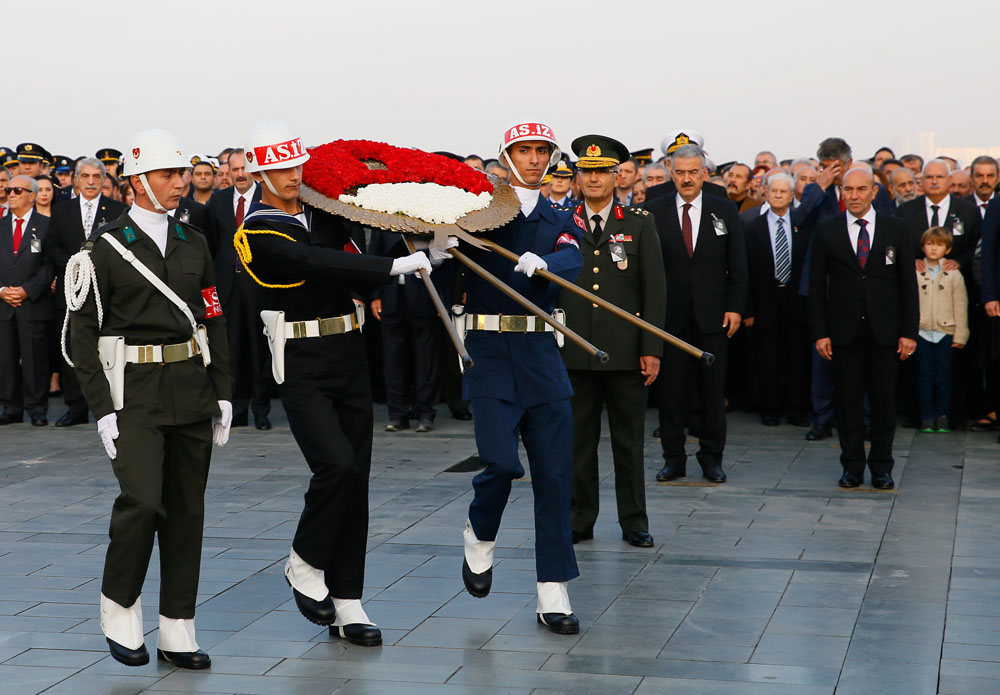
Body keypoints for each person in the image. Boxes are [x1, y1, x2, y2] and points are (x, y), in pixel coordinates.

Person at [236, 120, 430, 646]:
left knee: (356, 479)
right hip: (302, 358)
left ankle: (348, 601)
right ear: (259, 174)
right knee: (336, 465)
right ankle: (304, 559)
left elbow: (355, 242)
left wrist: (427, 237)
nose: (292, 176)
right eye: (281, 169)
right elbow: (312, 261)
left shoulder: (322, 212)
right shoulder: (257, 228)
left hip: (348, 351)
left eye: (296, 166)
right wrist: (391, 267)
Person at [70, 129, 232, 668]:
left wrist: (223, 392)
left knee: (187, 511)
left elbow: (213, 317)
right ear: (138, 182)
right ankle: (119, 607)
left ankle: (178, 627)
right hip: (133, 394)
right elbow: (81, 336)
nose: (180, 182)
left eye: (182, 173)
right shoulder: (104, 248)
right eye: (168, 174)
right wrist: (101, 409)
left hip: (190, 388)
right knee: (141, 502)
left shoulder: (194, 241)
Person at [458, 118, 583, 635]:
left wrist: (548, 262)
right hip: (489, 352)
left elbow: (573, 255)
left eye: (542, 151)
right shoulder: (481, 212)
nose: (535, 159)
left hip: (539, 351)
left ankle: (553, 589)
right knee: (501, 463)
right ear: (506, 157)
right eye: (525, 150)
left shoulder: (559, 214)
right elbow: (444, 265)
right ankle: (479, 532)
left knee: (554, 475)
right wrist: (437, 248)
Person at [559, 134, 665, 549]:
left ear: (617, 176)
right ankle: (579, 519)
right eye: (586, 172)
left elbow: (654, 291)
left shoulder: (638, 223)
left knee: (628, 442)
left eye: (602, 172)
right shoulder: (562, 222)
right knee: (577, 443)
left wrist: (651, 349)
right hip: (575, 350)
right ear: (577, 176)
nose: (594, 179)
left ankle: (634, 521)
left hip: (625, 353)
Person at [809, 167, 918, 489]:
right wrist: (820, 332)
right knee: (848, 403)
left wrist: (908, 332)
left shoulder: (896, 228)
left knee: (883, 404)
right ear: (841, 192)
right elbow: (816, 288)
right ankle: (852, 467)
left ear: (874, 191)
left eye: (861, 189)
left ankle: (882, 468)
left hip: (886, 332)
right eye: (848, 189)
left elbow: (907, 284)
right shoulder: (827, 230)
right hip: (843, 333)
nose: (854, 196)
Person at [644, 144, 746, 483]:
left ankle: (712, 458)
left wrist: (735, 307)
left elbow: (738, 263)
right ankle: (673, 459)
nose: (687, 179)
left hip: (714, 317)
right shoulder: (653, 211)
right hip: (669, 318)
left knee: (712, 393)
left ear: (705, 173)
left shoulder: (724, 209)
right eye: (680, 173)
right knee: (671, 392)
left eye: (693, 172)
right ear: (671, 173)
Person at [46, 157, 127, 427]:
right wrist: (76, 265)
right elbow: (51, 247)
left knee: (110, 347)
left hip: (108, 292)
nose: (91, 182)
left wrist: (97, 267)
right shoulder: (61, 211)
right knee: (73, 348)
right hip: (71, 291)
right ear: (76, 180)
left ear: (104, 180)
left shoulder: (118, 210)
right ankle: (76, 407)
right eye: (85, 176)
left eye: (96, 177)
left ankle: (114, 405)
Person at [206, 148, 270, 430]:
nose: (240, 174)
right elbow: (212, 244)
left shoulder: (266, 197)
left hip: (259, 284)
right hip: (227, 287)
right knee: (232, 351)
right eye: (235, 170)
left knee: (259, 350)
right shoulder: (218, 200)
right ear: (228, 172)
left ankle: (262, 411)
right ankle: (238, 410)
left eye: (245, 168)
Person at [743, 173, 811, 426]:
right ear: (766, 193)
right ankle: (769, 408)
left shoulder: (804, 225)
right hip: (764, 302)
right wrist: (748, 309)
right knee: (767, 358)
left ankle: (796, 410)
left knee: (797, 358)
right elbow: (745, 271)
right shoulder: (752, 227)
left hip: (796, 302)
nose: (779, 195)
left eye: (784, 191)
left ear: (792, 196)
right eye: (774, 191)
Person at [368, 229, 445, 432]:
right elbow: (374, 256)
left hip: (425, 297)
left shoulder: (429, 218)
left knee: (426, 359)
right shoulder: (381, 220)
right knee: (392, 360)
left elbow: (444, 261)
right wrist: (375, 296)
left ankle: (425, 413)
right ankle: (397, 415)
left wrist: (442, 298)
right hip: (390, 297)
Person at [0, 176, 54, 426]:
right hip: (3, 304)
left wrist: (26, 290)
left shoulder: (46, 226)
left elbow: (49, 265)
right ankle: (11, 407)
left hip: (33, 303)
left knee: (35, 359)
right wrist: (2, 290)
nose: (11, 194)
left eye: (17, 190)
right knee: (6, 358)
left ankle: (36, 408)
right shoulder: (0, 225)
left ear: (31, 196)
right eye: (9, 190)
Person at [915, 227, 969, 432]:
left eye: (939, 245)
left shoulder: (953, 274)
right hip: (921, 332)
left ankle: (942, 415)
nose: (933, 249)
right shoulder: (916, 272)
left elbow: (960, 305)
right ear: (923, 247)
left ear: (947, 249)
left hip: (945, 333)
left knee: (943, 376)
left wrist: (961, 335)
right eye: (929, 244)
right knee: (924, 376)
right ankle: (926, 416)